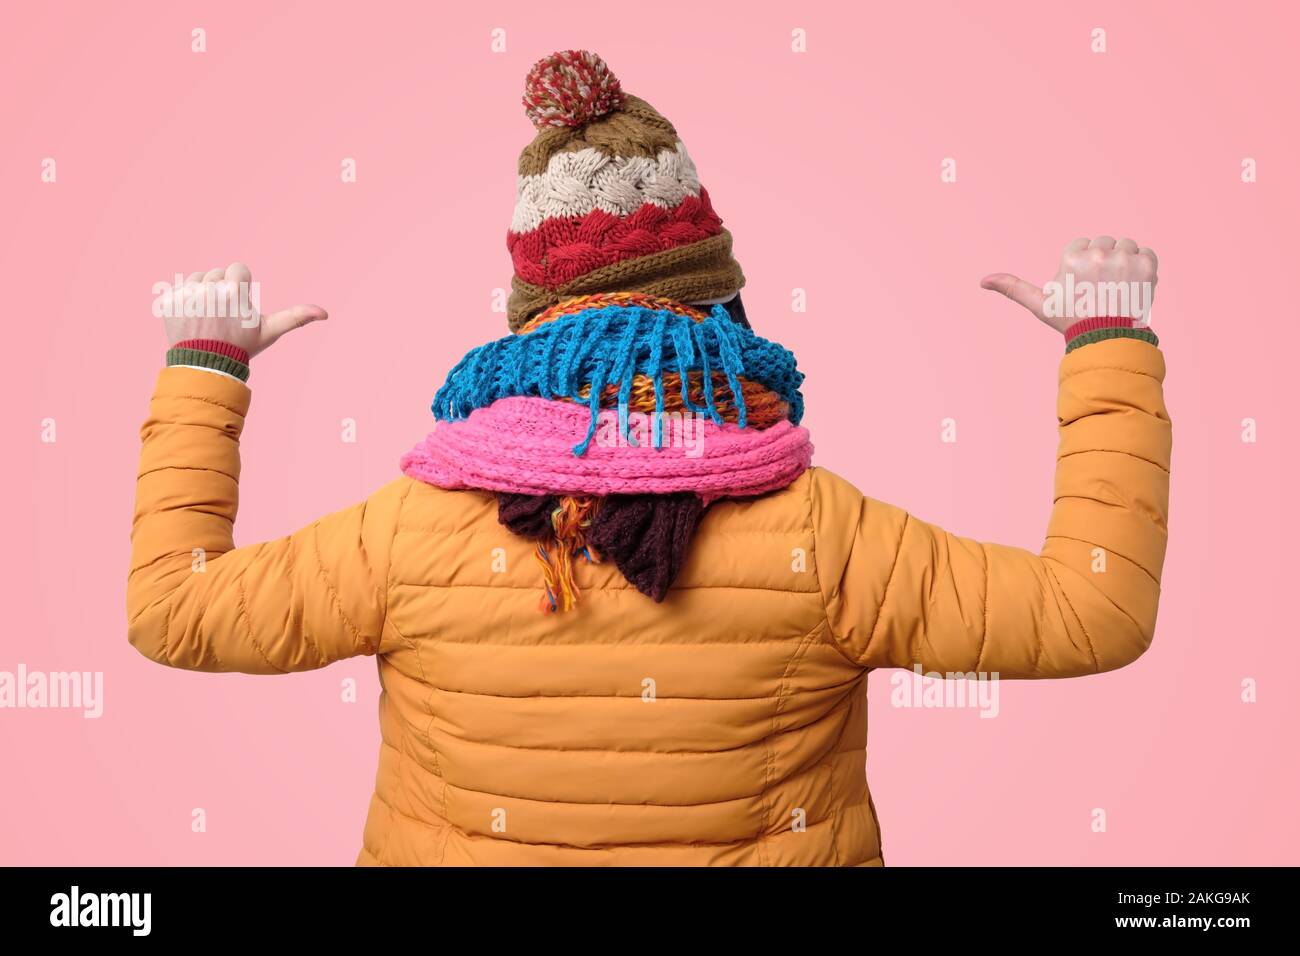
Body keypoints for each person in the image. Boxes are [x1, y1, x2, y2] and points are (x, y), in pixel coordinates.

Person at [127, 50, 1169, 866]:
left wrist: (205, 364)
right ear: (723, 315)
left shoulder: (409, 525)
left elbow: (175, 608)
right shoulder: (822, 529)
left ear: (530, 328)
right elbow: (1089, 611)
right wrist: (1106, 343)